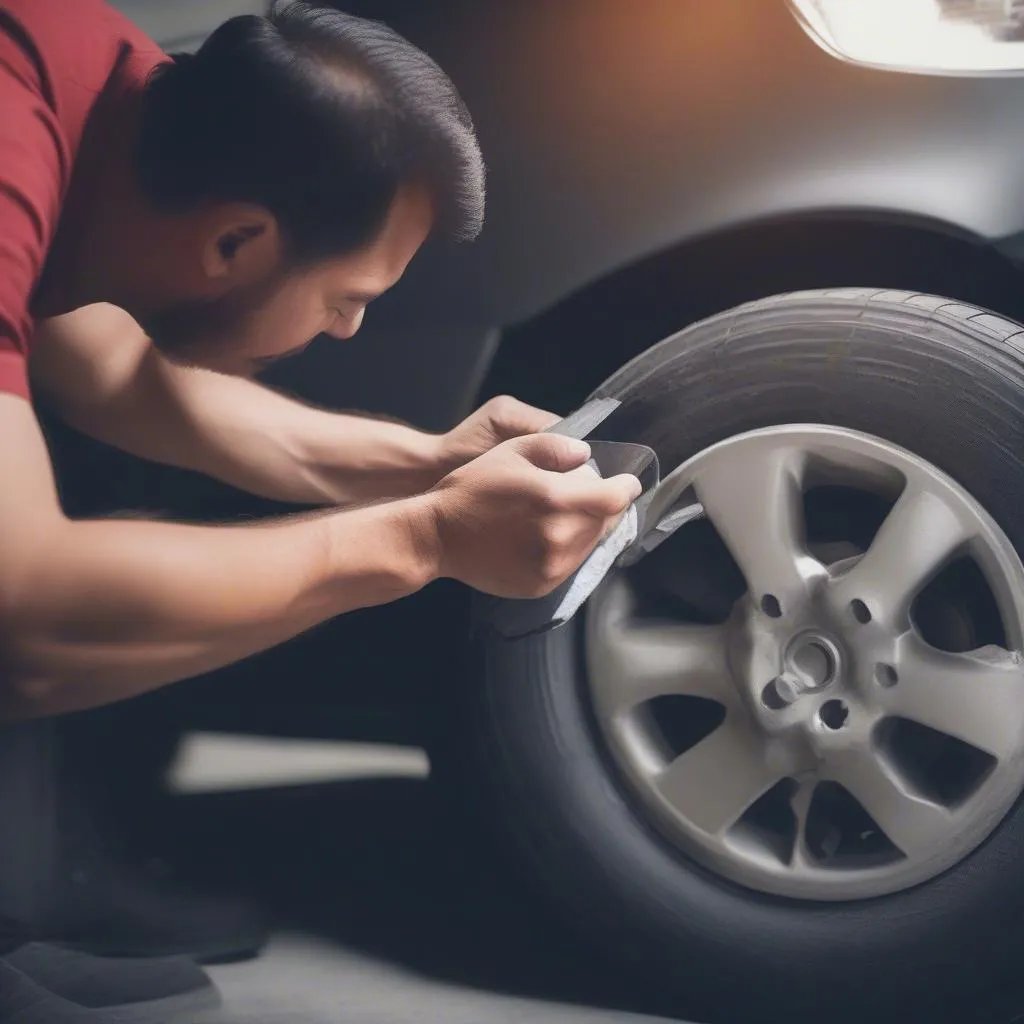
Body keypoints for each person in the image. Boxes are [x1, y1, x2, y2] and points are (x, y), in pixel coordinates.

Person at [0, 0, 642, 1018]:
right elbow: (23, 616)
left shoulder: (113, 97)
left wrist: (430, 466)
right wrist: (424, 540)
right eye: (348, 295)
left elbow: (112, 371)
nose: (347, 329)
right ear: (237, 243)